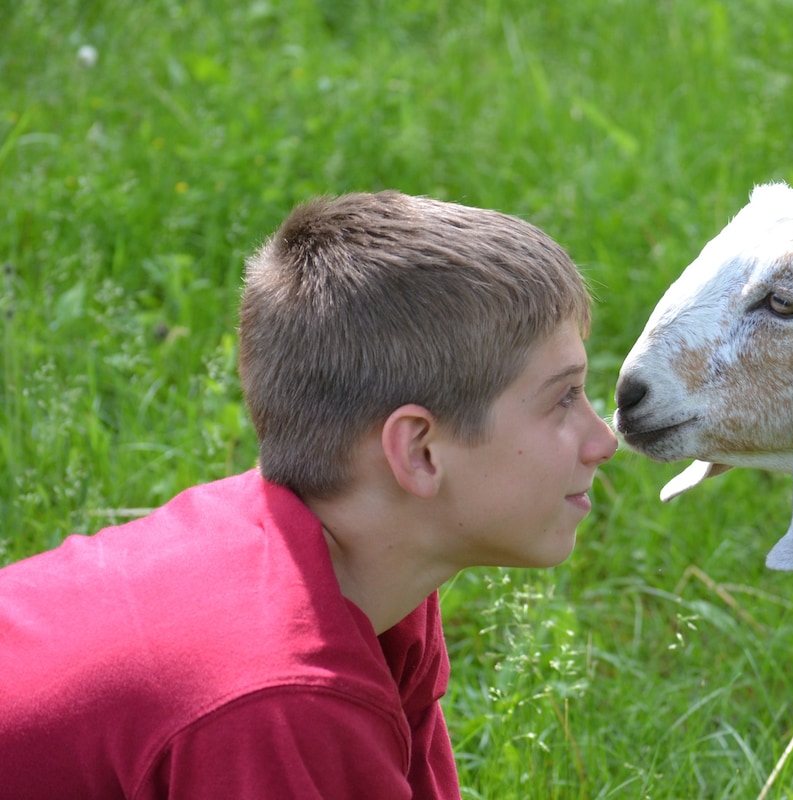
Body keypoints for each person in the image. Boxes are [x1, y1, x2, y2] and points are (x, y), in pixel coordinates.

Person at [0, 191, 619, 798]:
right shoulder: (281, 694)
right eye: (563, 398)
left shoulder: (372, 588)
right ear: (420, 452)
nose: (604, 440)